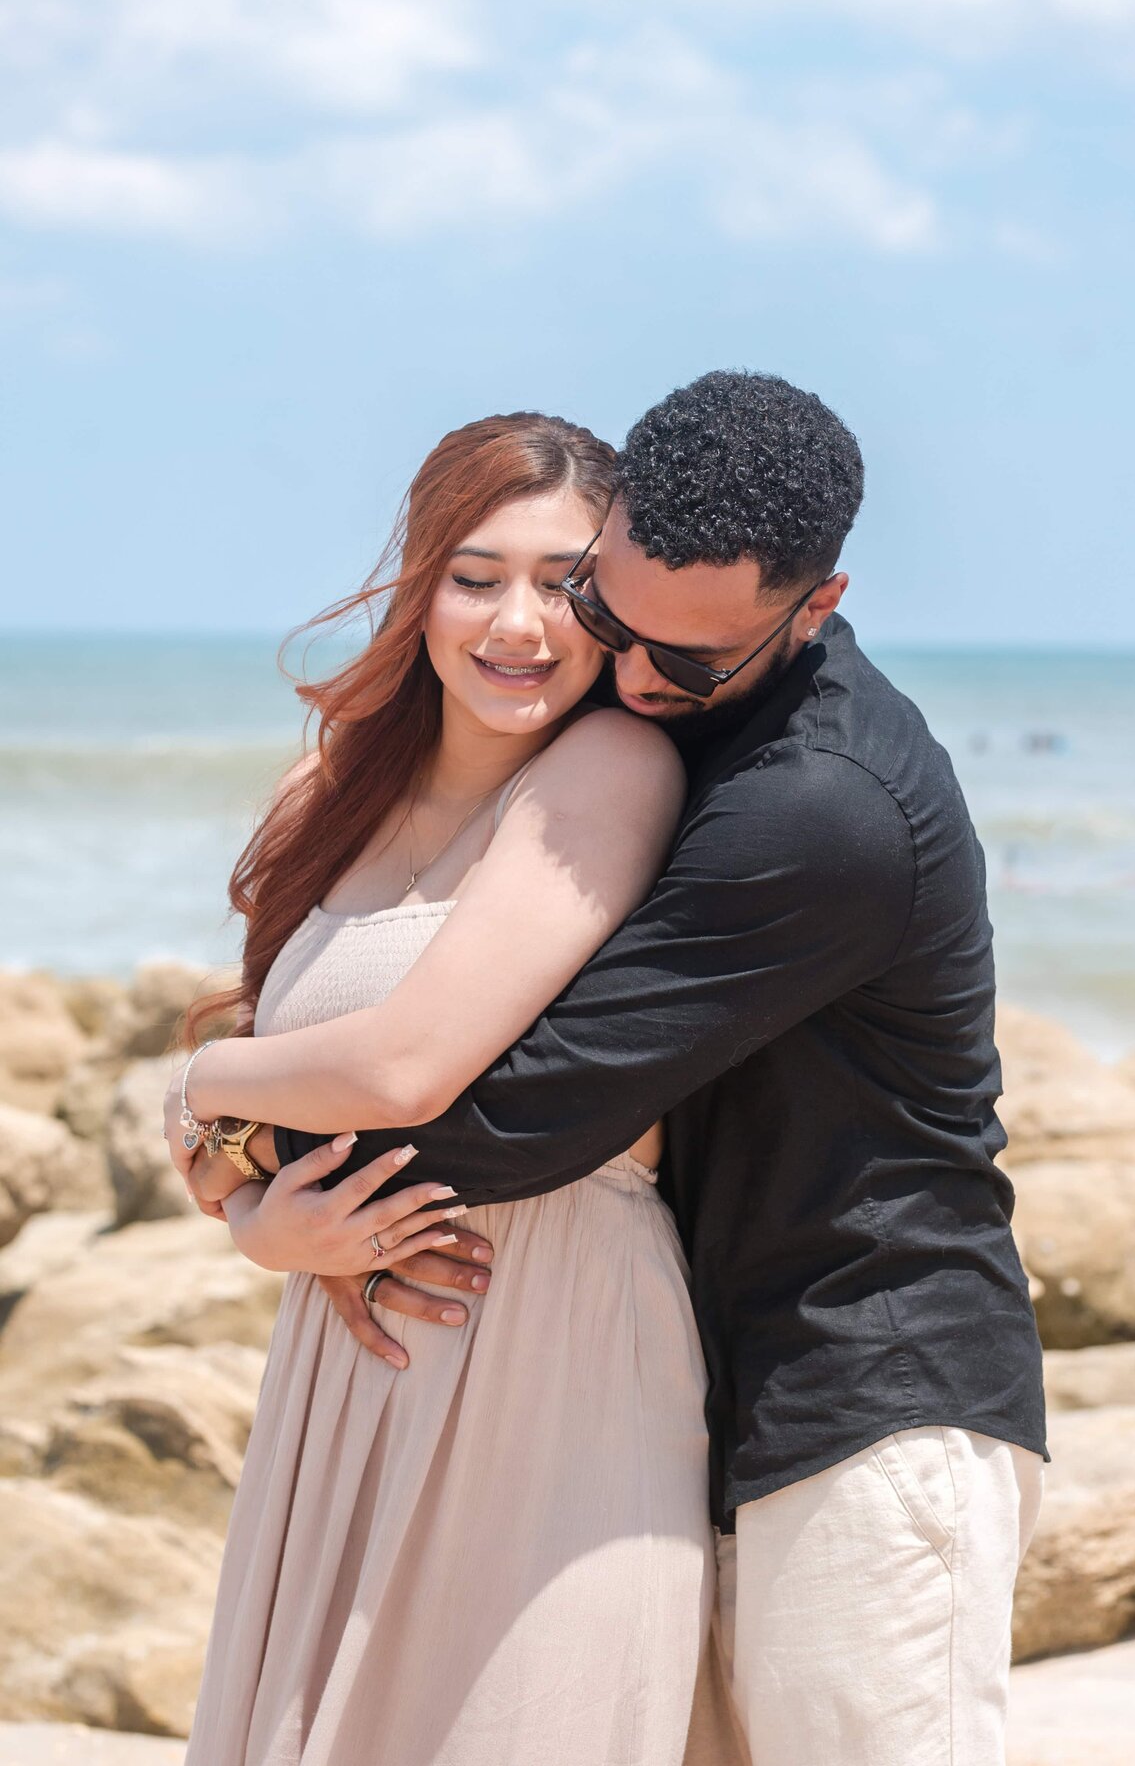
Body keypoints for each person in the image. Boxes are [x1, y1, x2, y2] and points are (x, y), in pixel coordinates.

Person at [251, 370, 1050, 1766]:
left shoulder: (818, 808)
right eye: (609, 617)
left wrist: (234, 1155)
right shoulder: (674, 716)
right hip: (725, 1383)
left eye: (683, 664)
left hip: (868, 1396)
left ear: (819, 602)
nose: (627, 674)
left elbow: (525, 1110)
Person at [172, 411, 727, 1765]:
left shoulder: (610, 770)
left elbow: (404, 1066)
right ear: (420, 585)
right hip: (350, 1350)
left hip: (553, 1346)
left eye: (564, 582)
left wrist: (195, 1078)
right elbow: (235, 1125)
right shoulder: (333, 788)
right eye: (477, 576)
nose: (519, 623)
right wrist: (258, 1227)